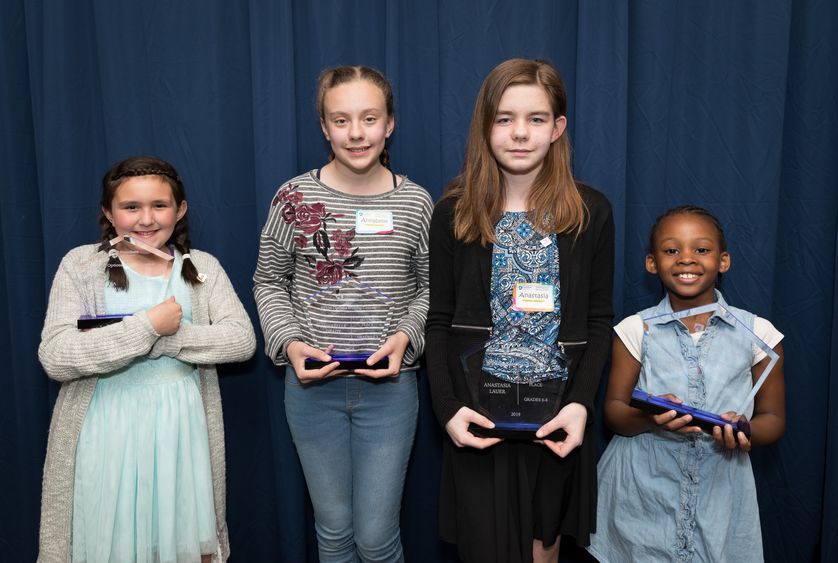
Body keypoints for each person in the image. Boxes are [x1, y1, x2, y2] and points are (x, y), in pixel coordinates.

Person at [426, 58, 615, 563]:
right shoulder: (453, 214)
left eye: (535, 119)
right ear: (485, 126)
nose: (520, 133)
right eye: (505, 118)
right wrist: (447, 411)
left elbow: (598, 323)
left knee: (542, 549)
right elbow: (438, 321)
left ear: (557, 128)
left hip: (556, 419)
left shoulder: (590, 212)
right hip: (478, 417)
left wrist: (580, 406)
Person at [253, 65, 432, 563]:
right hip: (312, 393)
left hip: (390, 393)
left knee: (376, 539)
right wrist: (289, 343)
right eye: (341, 120)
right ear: (324, 127)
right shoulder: (293, 198)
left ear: (389, 123)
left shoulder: (416, 202)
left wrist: (407, 335)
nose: (356, 133)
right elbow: (269, 282)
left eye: (369, 118)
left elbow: (431, 289)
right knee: (332, 533)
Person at [37, 156, 256, 563]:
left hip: (181, 439)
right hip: (104, 438)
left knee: (190, 549)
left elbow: (241, 341)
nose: (146, 219)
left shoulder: (201, 267)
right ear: (108, 212)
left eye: (159, 205)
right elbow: (56, 355)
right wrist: (147, 328)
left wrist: (170, 338)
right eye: (130, 207)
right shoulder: (81, 266)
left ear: (181, 209)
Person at [586, 205, 786, 562]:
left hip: (720, 495)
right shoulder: (635, 329)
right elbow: (613, 412)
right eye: (671, 250)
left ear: (723, 261)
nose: (686, 259)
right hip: (640, 494)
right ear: (652, 263)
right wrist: (650, 418)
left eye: (702, 250)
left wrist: (745, 430)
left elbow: (773, 418)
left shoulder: (760, 334)